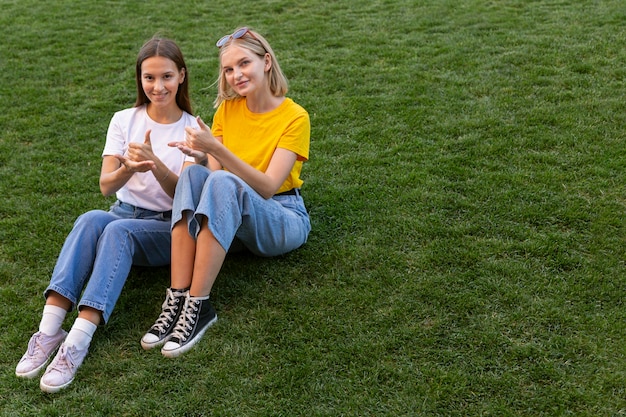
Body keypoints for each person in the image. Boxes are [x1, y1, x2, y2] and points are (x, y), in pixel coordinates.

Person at [15, 37, 199, 393]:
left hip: (167, 227)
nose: (157, 87)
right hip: (123, 211)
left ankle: (77, 343)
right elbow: (105, 185)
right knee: (89, 219)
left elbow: (183, 196)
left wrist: (154, 162)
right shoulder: (123, 120)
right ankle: (49, 332)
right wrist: (130, 168)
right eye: (149, 78)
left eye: (166, 77)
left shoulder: (193, 129)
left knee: (118, 233)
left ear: (181, 77)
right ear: (139, 79)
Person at [140, 27, 311, 358]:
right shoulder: (227, 112)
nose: (236, 75)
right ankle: (177, 296)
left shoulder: (294, 116)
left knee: (219, 179)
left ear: (266, 62)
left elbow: (266, 186)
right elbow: (214, 183)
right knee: (194, 175)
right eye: (228, 69)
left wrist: (217, 151)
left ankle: (199, 306)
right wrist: (201, 157)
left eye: (243, 64)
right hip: (238, 217)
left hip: (282, 215)